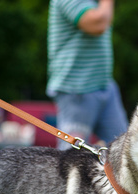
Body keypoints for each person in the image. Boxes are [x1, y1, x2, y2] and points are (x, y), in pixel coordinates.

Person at [46, 0, 128, 150]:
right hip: (77, 89)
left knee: (124, 149)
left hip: (104, 84)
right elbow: (97, 24)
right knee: (71, 157)